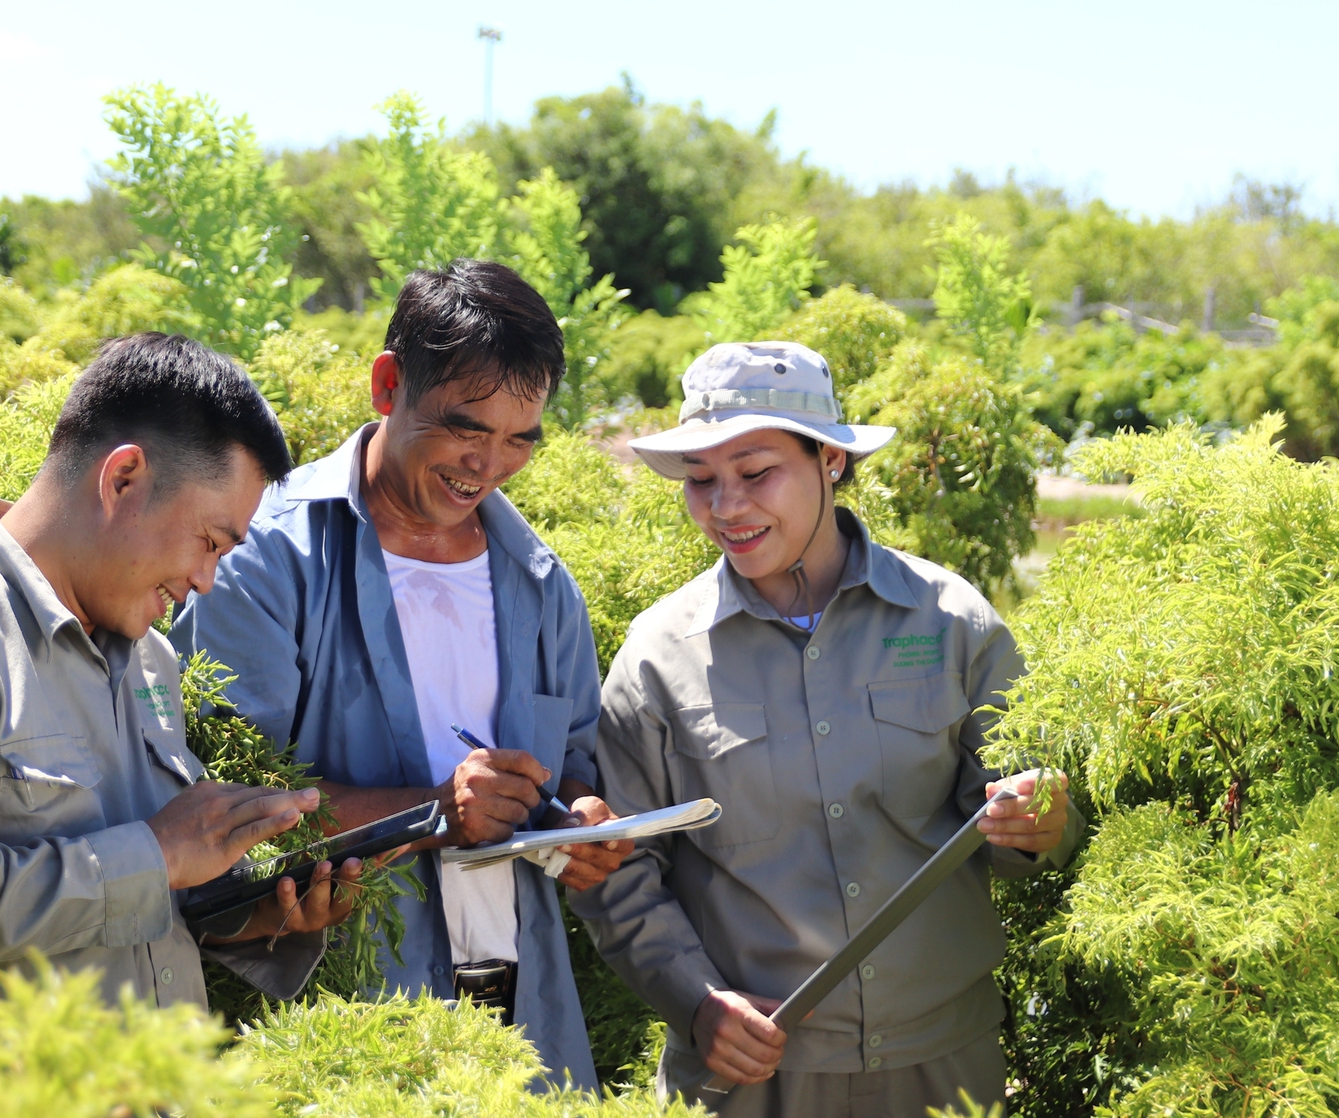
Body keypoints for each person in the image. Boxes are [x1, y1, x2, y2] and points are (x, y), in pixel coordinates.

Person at [571, 340, 1084, 1118]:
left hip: (944, 1063)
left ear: (830, 461)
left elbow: (1036, 822)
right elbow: (617, 872)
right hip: (749, 1075)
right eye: (701, 481)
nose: (726, 506)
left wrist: (1040, 821)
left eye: (754, 472)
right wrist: (696, 1001)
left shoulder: (952, 621)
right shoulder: (657, 657)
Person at [0, 333, 363, 1046]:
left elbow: (135, 902)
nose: (205, 581)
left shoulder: (149, 663)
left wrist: (251, 910)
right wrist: (155, 854)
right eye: (210, 542)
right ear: (123, 478)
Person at [172, 260, 629, 1089]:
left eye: (519, 439)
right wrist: (435, 813)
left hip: (529, 1021)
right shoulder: (261, 560)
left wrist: (582, 826)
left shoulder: (540, 581)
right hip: (348, 1036)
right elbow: (213, 816)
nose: (487, 466)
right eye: (466, 428)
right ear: (388, 385)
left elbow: (575, 767)